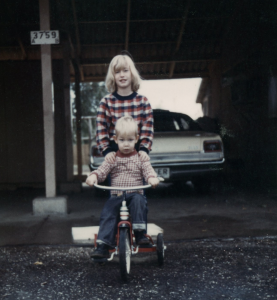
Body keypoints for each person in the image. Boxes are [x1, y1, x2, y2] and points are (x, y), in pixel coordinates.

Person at [86, 116, 159, 258]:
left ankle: (139, 234)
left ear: (137, 139)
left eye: (130, 140)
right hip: (117, 195)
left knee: (139, 202)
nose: (126, 144)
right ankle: (103, 245)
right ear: (115, 140)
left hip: (134, 194)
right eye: (122, 140)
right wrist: (93, 176)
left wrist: (152, 178)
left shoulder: (140, 158)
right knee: (108, 212)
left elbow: (148, 170)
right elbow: (101, 171)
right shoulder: (112, 158)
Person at [96, 51, 154, 164]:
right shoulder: (106, 102)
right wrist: (107, 151)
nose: (122, 75)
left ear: (132, 74)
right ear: (113, 76)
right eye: (117, 72)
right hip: (114, 155)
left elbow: (147, 129)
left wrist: (144, 150)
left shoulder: (143, 101)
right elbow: (101, 130)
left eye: (125, 70)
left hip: (137, 154)